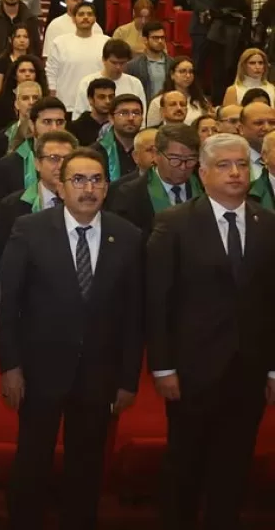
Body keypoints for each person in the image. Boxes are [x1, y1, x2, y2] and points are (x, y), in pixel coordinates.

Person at [0, 147, 144, 530]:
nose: (88, 188)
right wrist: (10, 366)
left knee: (87, 466)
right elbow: (8, 303)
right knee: (33, 462)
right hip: (39, 371)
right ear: (60, 187)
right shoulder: (29, 230)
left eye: (96, 179)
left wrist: (128, 379)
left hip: (99, 375)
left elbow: (134, 315)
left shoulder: (127, 236)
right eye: (78, 179)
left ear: (107, 187)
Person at [145, 133, 275, 530]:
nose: (235, 172)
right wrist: (163, 367)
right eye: (224, 165)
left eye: (241, 165)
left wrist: (273, 369)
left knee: (233, 468)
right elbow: (158, 300)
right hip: (191, 371)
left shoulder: (268, 223)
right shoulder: (174, 224)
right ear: (202, 173)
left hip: (249, 372)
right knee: (185, 466)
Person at [104, 123, 201, 241]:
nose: (183, 167)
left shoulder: (205, 187)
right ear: (156, 154)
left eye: (190, 159)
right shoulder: (130, 194)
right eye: (174, 159)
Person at [0, 130, 77, 253]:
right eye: (54, 158)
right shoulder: (12, 206)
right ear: (37, 164)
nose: (61, 166)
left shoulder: (86, 202)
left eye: (68, 159)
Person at [46, 2, 108, 116]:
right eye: (81, 14)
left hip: (97, 107)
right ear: (73, 19)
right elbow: (51, 72)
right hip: (66, 104)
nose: (85, 17)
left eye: (89, 14)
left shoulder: (106, 42)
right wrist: (53, 96)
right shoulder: (60, 42)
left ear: (95, 19)